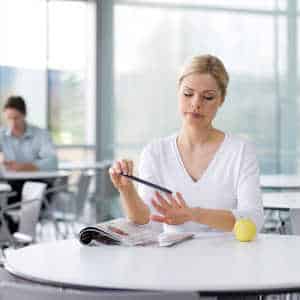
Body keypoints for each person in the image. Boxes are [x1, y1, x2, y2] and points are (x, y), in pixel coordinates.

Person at [109, 54, 264, 234]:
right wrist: (127, 190)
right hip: (172, 259)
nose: (196, 103)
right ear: (178, 92)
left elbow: (254, 220)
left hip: (229, 258)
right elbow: (148, 224)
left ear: (221, 99)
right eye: (188, 94)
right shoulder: (155, 152)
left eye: (208, 97)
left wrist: (194, 214)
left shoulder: (240, 150)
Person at [0, 96, 58, 232]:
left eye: (16, 118)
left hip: (37, 186)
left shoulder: (41, 135)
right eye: (9, 118)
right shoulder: (2, 135)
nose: (13, 123)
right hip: (9, 186)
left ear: (24, 115)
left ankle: (14, 235)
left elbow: (52, 162)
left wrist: (23, 167)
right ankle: (10, 235)